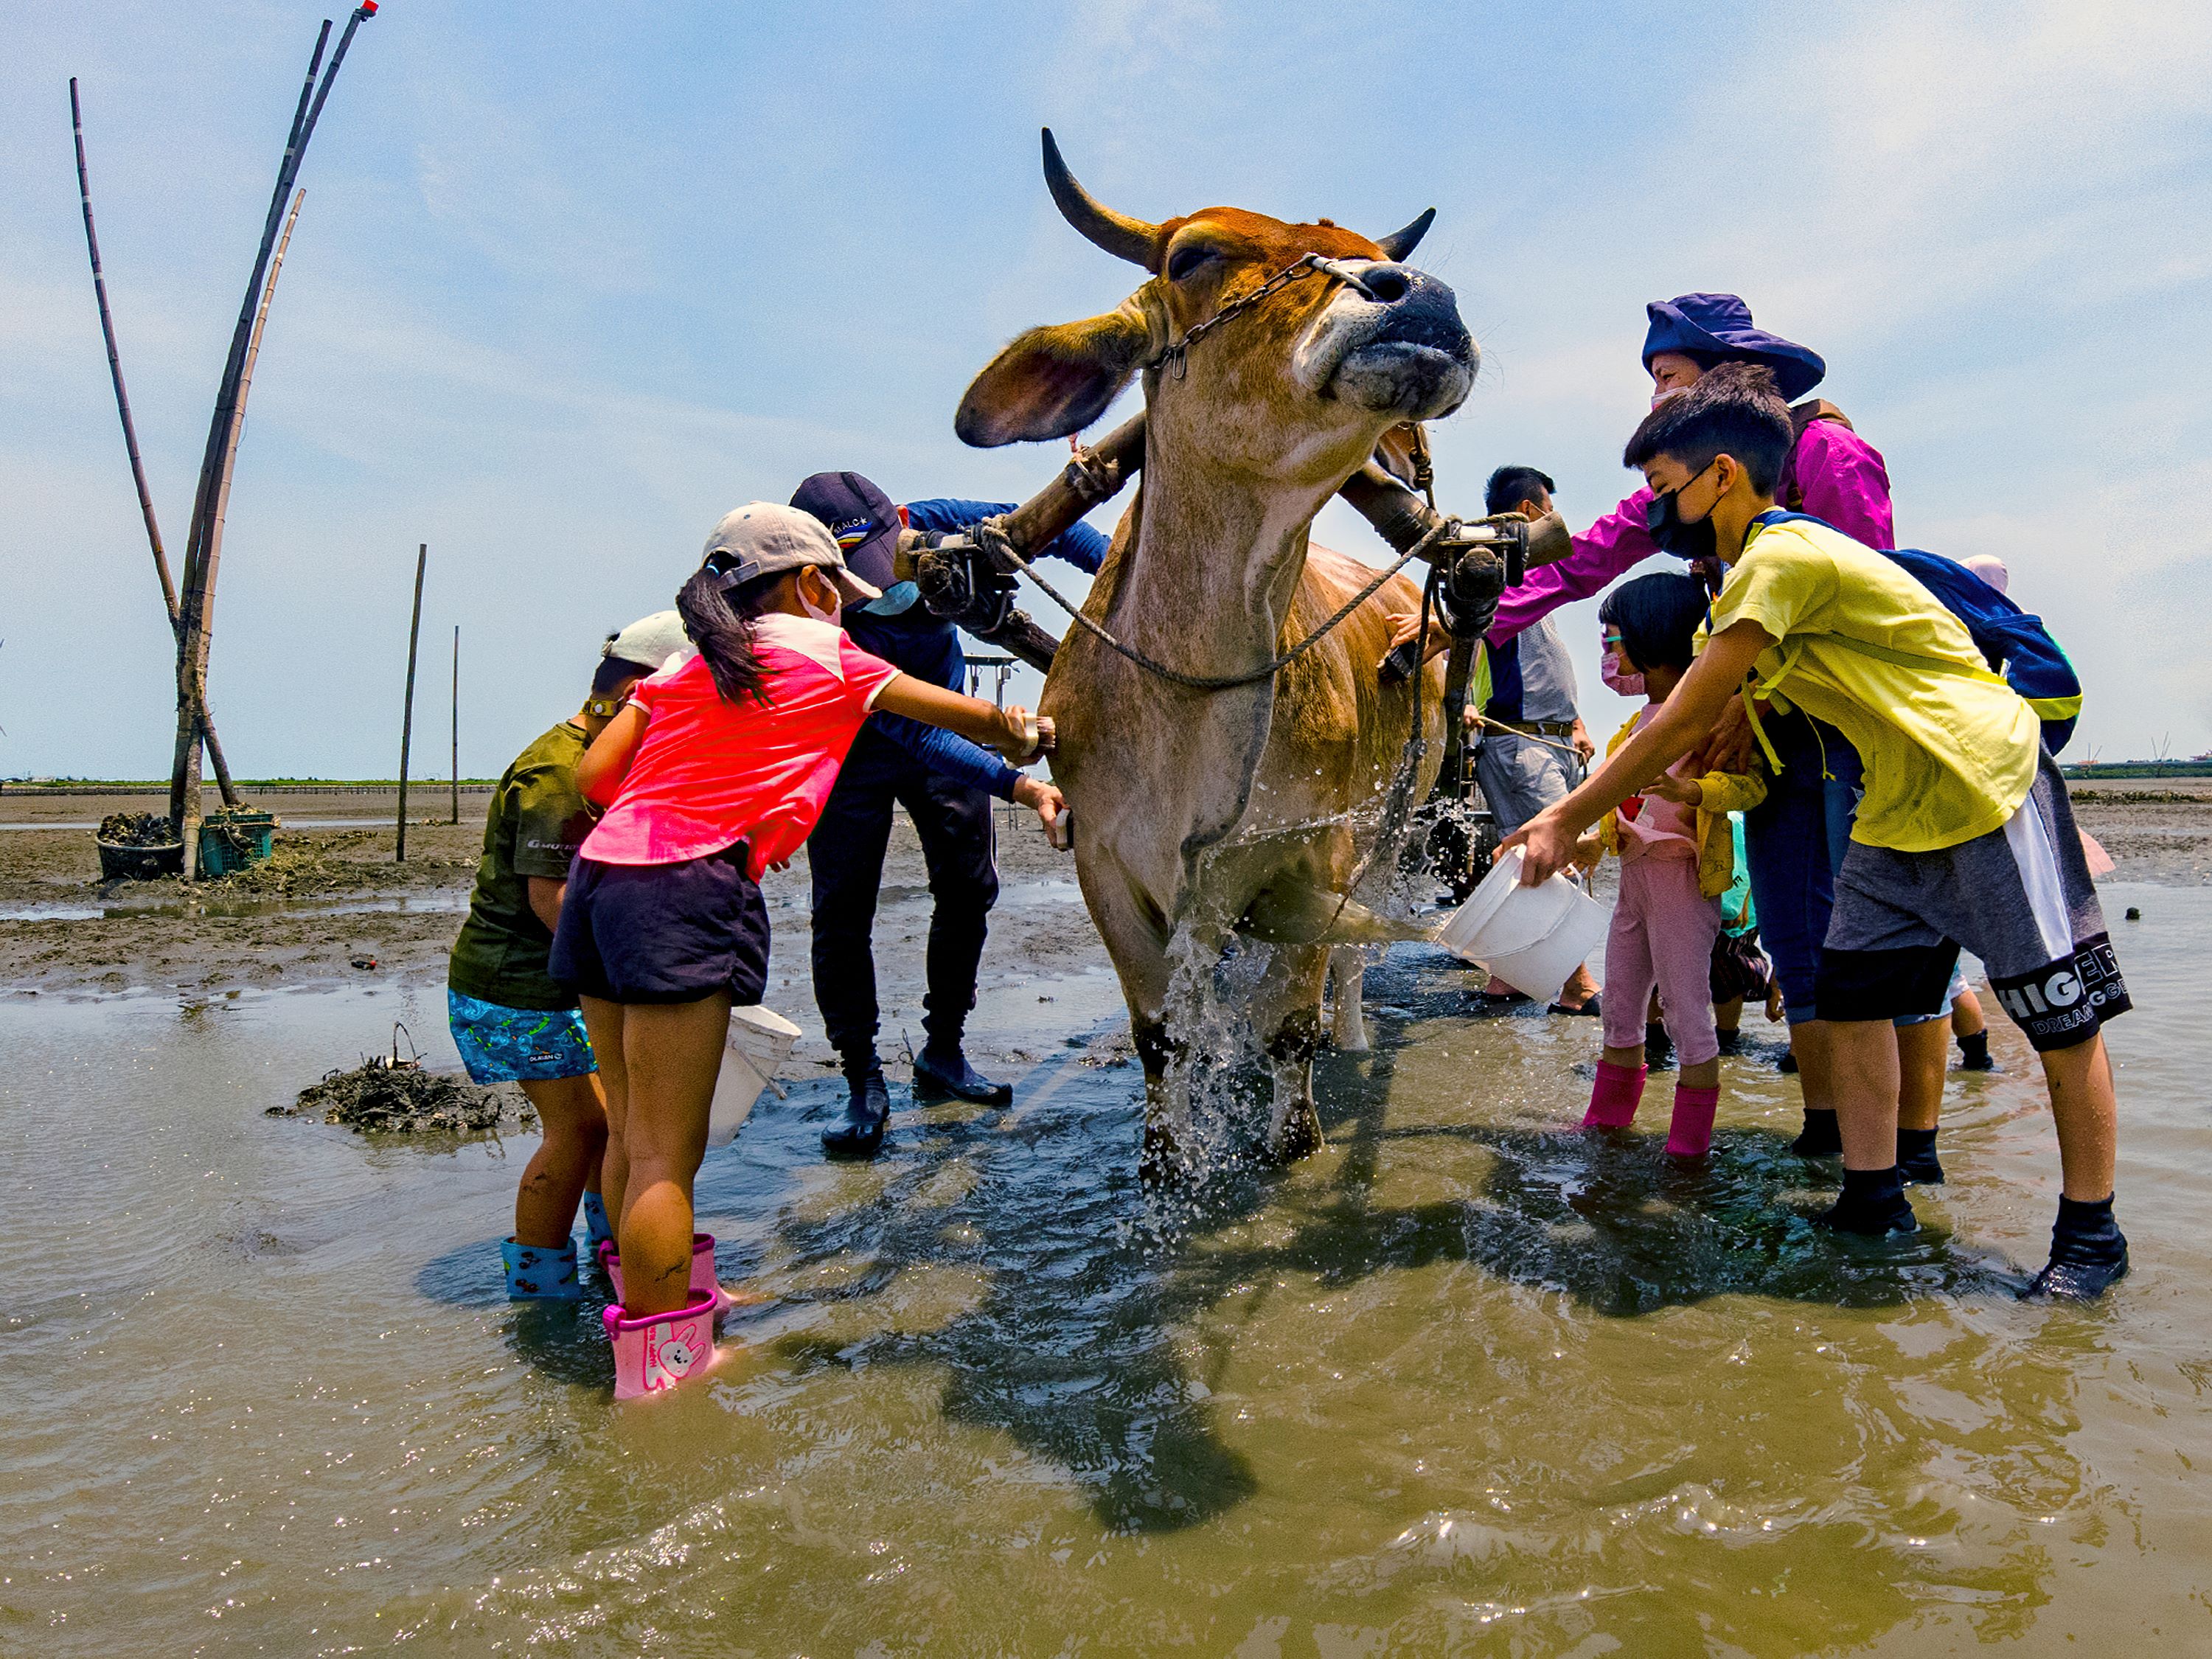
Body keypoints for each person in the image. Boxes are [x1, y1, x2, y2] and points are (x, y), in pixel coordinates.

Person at [1504, 364, 2131, 1298]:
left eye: (1662, 489)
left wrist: (1564, 814)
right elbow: (1719, 720)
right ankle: (1873, 1198)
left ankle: (2092, 1236)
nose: (1653, 513)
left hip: (1979, 781)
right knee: (1850, 999)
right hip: (1889, 802)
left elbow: (1684, 714)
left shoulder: (1783, 558)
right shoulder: (1749, 582)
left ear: (1721, 476)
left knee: (2056, 1011)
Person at [552, 504, 1052, 1396]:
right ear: (813, 582)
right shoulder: (822, 649)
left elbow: (595, 778)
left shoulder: (688, 659)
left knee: (632, 1132)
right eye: (837, 589)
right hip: (686, 886)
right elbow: (968, 719)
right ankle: (666, 1374)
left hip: (601, 881)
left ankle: (674, 1304)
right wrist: (1029, 736)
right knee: (669, 1152)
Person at [790, 473, 1102, 1157]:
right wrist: (1016, 783)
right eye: (846, 579)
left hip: (943, 733)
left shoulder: (943, 521)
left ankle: (943, 1050)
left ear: (899, 520)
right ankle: (860, 1080)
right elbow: (914, 730)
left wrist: (1115, 578)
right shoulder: (824, 621)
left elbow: (1055, 527)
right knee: (842, 913)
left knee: (968, 889)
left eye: (878, 565)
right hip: (851, 750)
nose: (870, 589)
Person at [446, 611, 690, 1300]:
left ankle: (615, 1257)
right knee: (580, 1128)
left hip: (566, 981)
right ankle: (539, 1288)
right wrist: (640, 974)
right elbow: (552, 902)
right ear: (640, 697)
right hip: (517, 988)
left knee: (617, 1124)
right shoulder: (559, 773)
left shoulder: (608, 759)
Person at [1573, 572, 1766, 1157]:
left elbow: (1751, 788)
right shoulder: (1638, 725)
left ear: (1651, 640)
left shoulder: (1710, 719)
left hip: (1683, 882)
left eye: (1615, 640)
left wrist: (1696, 793)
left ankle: (1688, 1146)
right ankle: (1607, 1123)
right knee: (1620, 1006)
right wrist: (1593, 843)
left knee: (1687, 1015)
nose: (1610, 652)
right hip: (1633, 881)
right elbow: (1619, 801)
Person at [1458, 466, 1599, 1015]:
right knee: (1550, 853)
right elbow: (1462, 642)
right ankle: (1577, 986)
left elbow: (1547, 666)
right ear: (1525, 513)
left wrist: (1579, 722)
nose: (1553, 522)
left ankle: (1506, 977)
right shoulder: (1487, 572)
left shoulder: (1536, 582)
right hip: (1519, 739)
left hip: (1554, 737)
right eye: (1546, 510)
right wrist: (1464, 702)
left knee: (1527, 855)